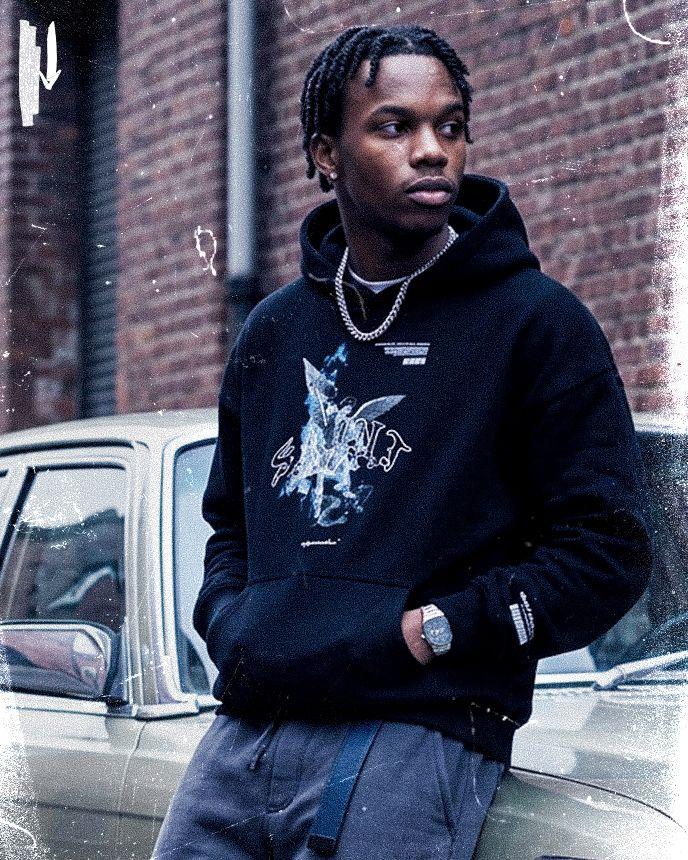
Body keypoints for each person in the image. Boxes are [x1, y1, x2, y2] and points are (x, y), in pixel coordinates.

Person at [152, 23, 653, 860]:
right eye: (394, 127)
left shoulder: (535, 324)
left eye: (450, 127)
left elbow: (609, 550)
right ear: (326, 153)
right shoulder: (275, 334)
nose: (432, 152)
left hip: (416, 730)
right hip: (249, 730)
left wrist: (440, 629)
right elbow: (231, 527)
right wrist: (233, 625)